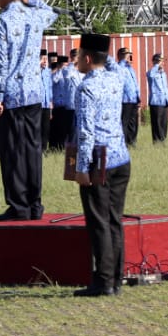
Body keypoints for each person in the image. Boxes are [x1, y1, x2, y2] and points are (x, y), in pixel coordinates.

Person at [0, 0, 56, 221]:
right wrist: (31, 0)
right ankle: (35, 204)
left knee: (13, 150)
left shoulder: (1, 23)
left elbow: (0, 64)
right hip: (34, 93)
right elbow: (51, 10)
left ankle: (19, 206)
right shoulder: (36, 16)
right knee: (33, 149)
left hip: (13, 95)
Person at [68, 33, 131, 297]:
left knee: (98, 222)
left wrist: (81, 168)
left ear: (89, 58)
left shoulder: (86, 88)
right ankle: (116, 278)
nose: (77, 62)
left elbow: (86, 132)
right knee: (114, 220)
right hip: (120, 157)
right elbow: (113, 64)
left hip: (98, 161)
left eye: (80, 56)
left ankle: (103, 281)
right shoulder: (116, 77)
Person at [117, 47, 140, 147]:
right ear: (120, 56)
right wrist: (123, 61)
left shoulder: (130, 68)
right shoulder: (119, 67)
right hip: (124, 99)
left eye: (128, 54)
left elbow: (135, 83)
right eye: (125, 54)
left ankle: (132, 141)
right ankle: (124, 143)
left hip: (133, 98)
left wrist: (138, 96)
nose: (127, 56)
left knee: (133, 122)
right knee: (124, 122)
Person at [149, 53, 168, 144]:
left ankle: (163, 139)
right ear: (155, 62)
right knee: (157, 123)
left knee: (164, 123)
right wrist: (156, 65)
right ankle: (157, 141)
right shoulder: (151, 72)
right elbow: (151, 75)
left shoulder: (163, 74)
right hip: (156, 101)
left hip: (164, 101)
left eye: (162, 61)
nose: (162, 63)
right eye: (160, 61)